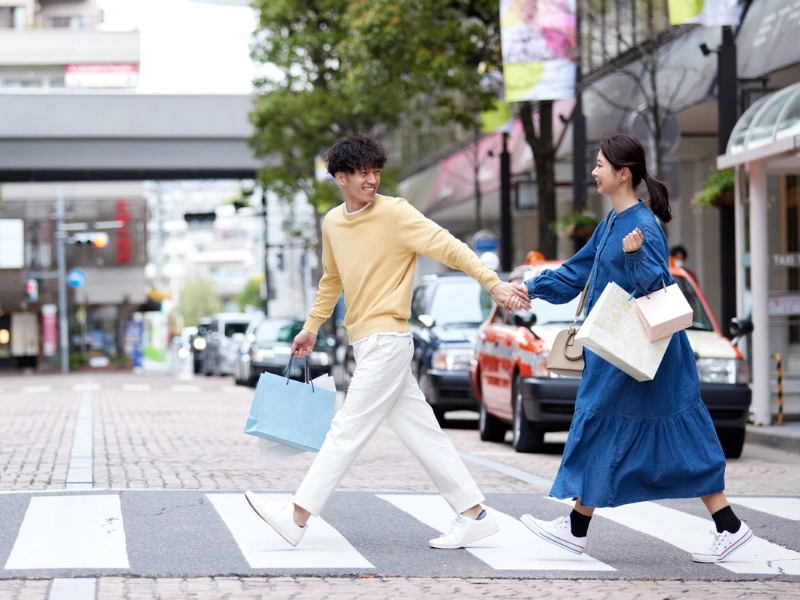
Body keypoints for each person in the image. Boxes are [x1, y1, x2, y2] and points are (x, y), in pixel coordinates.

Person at [245, 133, 530, 549]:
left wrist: (492, 282)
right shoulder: (333, 223)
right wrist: (312, 326)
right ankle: (474, 514)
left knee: (346, 430)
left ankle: (297, 516)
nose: (372, 180)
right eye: (362, 173)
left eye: (376, 171)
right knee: (423, 434)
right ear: (340, 177)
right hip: (368, 341)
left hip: (388, 340)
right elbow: (332, 280)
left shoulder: (396, 213)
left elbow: (449, 247)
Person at [519, 133, 754, 564]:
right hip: (619, 353)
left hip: (644, 354)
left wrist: (635, 259)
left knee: (650, 432)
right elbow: (576, 273)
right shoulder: (611, 222)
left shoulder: (643, 227)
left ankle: (728, 527)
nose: (593, 172)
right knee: (612, 428)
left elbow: (659, 290)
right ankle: (726, 527)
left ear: (622, 174)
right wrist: (528, 290)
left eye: (600, 165)